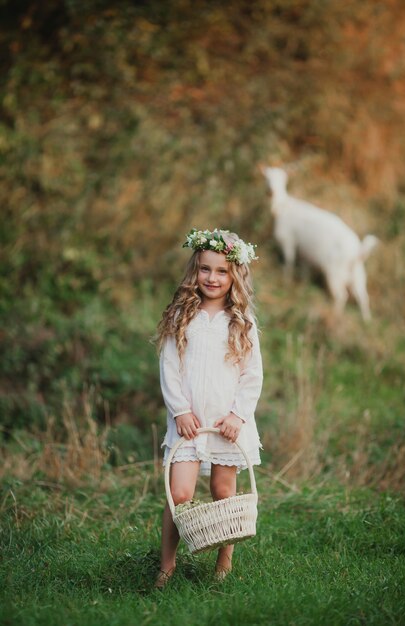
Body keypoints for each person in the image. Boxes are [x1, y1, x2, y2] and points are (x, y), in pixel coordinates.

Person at [155, 228, 263, 588]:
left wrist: (238, 416)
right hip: (189, 420)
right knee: (179, 493)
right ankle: (166, 567)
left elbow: (252, 376)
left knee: (223, 491)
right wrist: (180, 410)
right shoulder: (180, 317)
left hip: (225, 421)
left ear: (234, 275)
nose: (212, 278)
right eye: (205, 269)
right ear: (194, 271)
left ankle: (223, 565)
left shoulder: (242, 323)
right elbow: (169, 366)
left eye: (221, 271)